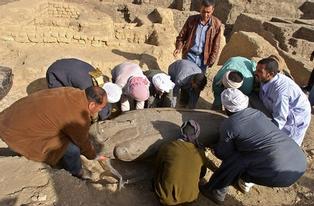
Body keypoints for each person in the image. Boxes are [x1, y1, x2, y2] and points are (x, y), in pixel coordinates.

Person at [200, 88, 307, 205]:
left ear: (226, 108)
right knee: (247, 154)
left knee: (235, 160)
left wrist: (214, 146)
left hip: (278, 172)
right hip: (299, 161)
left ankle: (216, 192)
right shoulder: (257, 113)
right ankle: (241, 179)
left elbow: (223, 153)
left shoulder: (230, 124)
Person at [0, 86, 107, 178]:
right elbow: (82, 142)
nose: (100, 110)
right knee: (72, 149)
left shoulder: (71, 92)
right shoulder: (78, 116)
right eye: (101, 108)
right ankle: (77, 172)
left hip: (9, 116)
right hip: (17, 132)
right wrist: (93, 156)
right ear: (92, 105)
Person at [255, 57, 311, 145]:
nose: (256, 73)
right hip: (283, 111)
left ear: (270, 74)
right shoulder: (265, 79)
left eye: (259, 71)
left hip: (296, 116)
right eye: (256, 69)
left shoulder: (280, 91)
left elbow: (279, 119)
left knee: (287, 145)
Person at [46, 58, 122, 120]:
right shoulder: (87, 87)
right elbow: (92, 105)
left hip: (66, 65)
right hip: (55, 73)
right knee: (63, 102)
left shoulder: (99, 78)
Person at [154, 120, 207, 205]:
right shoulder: (200, 152)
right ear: (197, 134)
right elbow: (202, 174)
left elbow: (157, 166)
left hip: (167, 199)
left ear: (181, 131)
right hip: (191, 197)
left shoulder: (168, 147)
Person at [173, 0, 222, 72]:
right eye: (203, 11)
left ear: (213, 10)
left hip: (203, 60)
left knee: (197, 81)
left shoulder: (217, 24)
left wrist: (211, 61)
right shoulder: (191, 20)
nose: (205, 15)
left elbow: (216, 46)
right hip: (189, 56)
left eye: (208, 12)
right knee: (185, 78)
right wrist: (178, 48)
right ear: (200, 8)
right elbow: (181, 37)